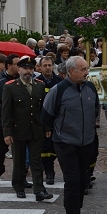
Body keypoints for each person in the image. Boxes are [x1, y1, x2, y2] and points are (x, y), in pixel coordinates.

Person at [41, 56, 100, 214]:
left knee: (83, 180)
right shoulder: (58, 90)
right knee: (72, 180)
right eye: (82, 69)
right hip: (65, 142)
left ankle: (77, 210)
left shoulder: (90, 88)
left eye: (86, 69)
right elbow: (46, 115)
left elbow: (95, 110)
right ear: (71, 71)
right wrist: (54, 131)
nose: (86, 72)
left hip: (87, 141)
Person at [1, 56, 52, 201]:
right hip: (18, 130)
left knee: (36, 161)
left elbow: (43, 109)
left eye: (30, 68)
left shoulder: (39, 85)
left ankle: (39, 190)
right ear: (19, 69)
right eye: (25, 68)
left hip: (36, 129)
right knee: (19, 160)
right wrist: (7, 132)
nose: (28, 71)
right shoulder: (10, 87)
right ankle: (19, 186)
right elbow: (6, 112)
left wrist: (47, 127)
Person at [0, 54, 27, 185]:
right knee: (0, 149)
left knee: (20, 151)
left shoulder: (23, 80)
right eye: (17, 64)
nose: (20, 67)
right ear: (9, 66)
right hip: (1, 122)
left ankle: (21, 177)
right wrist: (3, 109)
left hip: (19, 122)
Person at [37, 55, 63, 184]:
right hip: (43, 122)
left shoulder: (59, 81)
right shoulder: (37, 82)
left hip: (58, 120)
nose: (48, 68)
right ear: (40, 67)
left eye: (49, 65)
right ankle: (49, 173)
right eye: (45, 66)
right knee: (45, 149)